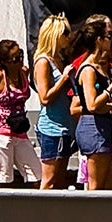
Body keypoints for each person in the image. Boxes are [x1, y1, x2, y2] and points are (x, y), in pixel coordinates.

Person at [0, 39, 42, 187]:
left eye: (21, 54)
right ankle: (2, 208)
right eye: (16, 58)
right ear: (6, 61)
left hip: (19, 130)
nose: (21, 60)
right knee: (4, 180)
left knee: (36, 175)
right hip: (0, 132)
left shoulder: (24, 72)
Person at [71, 17, 112, 189]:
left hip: (104, 124)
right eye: (107, 37)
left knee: (110, 184)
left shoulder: (99, 66)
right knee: (96, 185)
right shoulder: (88, 69)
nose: (110, 40)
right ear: (99, 40)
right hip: (93, 128)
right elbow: (92, 105)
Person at [28, 15, 76, 189]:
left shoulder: (60, 60)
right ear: (54, 34)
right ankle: (40, 214)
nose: (68, 37)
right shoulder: (43, 62)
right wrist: (63, 79)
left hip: (64, 127)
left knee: (61, 179)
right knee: (48, 180)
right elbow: (45, 97)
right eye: (65, 33)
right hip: (51, 129)